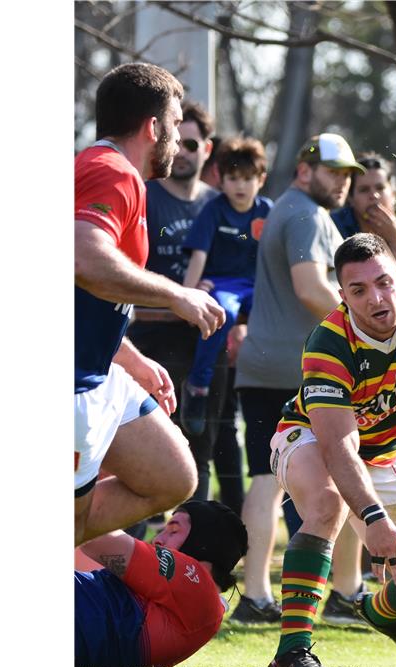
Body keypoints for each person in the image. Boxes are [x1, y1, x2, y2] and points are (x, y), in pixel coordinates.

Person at [264, 234, 396, 667]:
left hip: (386, 455)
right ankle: (292, 652)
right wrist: (373, 518)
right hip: (308, 438)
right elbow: (338, 446)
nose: (377, 299)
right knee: (326, 503)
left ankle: (379, 611)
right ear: (342, 296)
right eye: (359, 290)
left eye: (384, 283)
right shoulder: (329, 341)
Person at [75, 63, 226, 546]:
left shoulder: (116, 174)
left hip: (102, 372)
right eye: (177, 124)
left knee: (174, 476)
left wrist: (128, 356)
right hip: (72, 386)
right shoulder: (111, 171)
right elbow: (83, 260)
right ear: (153, 126)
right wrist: (177, 293)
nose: (180, 140)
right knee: (72, 530)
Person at [233, 133, 366, 626]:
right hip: (300, 370)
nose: (343, 183)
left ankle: (255, 596)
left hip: (266, 365)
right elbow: (311, 287)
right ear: (305, 170)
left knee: (266, 482)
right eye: (334, 172)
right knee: (351, 470)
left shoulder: (290, 209)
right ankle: (347, 593)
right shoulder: (308, 215)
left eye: (347, 174)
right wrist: (368, 326)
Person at [125, 100, 229, 513]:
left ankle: (195, 548)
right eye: (178, 141)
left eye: (192, 143)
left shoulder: (220, 203)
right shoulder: (143, 196)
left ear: (207, 149)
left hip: (206, 340)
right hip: (150, 337)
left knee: (202, 443)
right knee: (140, 446)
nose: (183, 151)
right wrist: (174, 298)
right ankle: (133, 545)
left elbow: (239, 263)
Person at [76, 500, 248, 667]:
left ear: (203, 545)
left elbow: (95, 539)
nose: (158, 539)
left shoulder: (198, 585)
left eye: (173, 531)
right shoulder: (199, 605)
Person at [180, 136, 274, 436]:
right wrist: (189, 293)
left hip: (257, 285)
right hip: (223, 285)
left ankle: (281, 387)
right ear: (221, 178)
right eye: (233, 178)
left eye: (247, 179)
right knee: (225, 315)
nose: (240, 186)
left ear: (261, 179)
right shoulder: (214, 210)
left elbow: (277, 256)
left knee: (273, 315)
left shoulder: (267, 211)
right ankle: (198, 385)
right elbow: (199, 254)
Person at [331, 154, 396, 282]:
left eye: (380, 188)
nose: (374, 195)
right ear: (350, 198)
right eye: (364, 190)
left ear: (394, 194)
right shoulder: (335, 226)